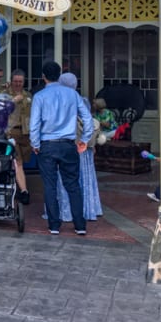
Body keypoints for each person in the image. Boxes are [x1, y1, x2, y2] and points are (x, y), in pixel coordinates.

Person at [30, 61, 93, 236]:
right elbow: (87, 119)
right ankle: (80, 224)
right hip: (67, 144)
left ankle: (54, 225)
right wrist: (85, 139)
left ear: (43, 77)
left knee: (50, 186)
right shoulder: (72, 94)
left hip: (47, 144)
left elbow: (34, 124)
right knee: (73, 185)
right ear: (59, 75)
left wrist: (35, 144)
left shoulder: (39, 97)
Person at [55, 73, 102, 221]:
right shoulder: (82, 101)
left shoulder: (58, 102)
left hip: (66, 145)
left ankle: (67, 210)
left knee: (66, 178)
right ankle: (87, 208)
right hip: (82, 146)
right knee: (83, 177)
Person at [4, 69, 32, 166]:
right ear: (11, 81)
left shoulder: (28, 95)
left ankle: (18, 179)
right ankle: (17, 181)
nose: (18, 84)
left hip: (25, 133)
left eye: (20, 81)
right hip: (11, 132)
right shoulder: (4, 94)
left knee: (24, 160)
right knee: (16, 161)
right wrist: (13, 101)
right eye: (15, 81)